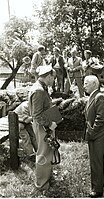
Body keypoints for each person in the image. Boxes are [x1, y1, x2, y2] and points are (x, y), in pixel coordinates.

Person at [28, 64, 58, 193]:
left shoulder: (41, 88)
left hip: (43, 125)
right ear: (49, 76)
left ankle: (46, 178)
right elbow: (37, 114)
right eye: (53, 78)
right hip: (43, 126)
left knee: (47, 151)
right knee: (43, 154)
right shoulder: (39, 91)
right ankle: (41, 185)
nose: (54, 80)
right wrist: (49, 124)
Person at [83, 75, 104, 198]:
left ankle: (97, 189)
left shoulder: (99, 97)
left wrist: (92, 132)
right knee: (95, 160)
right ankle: (100, 183)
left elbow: (101, 118)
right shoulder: (92, 97)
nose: (84, 86)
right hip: (94, 134)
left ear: (94, 84)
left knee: (96, 161)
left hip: (98, 135)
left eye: (86, 83)